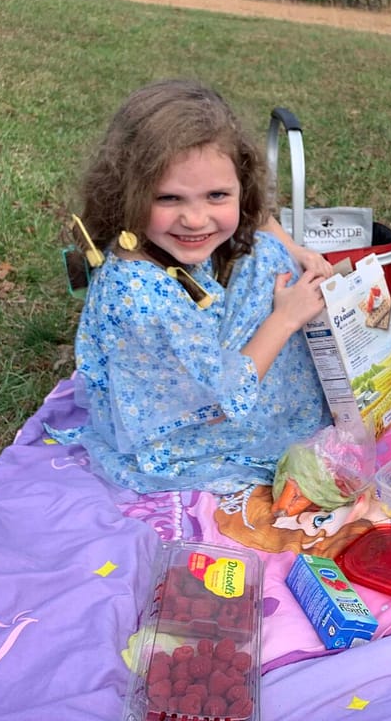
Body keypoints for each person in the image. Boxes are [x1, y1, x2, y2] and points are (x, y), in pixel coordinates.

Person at [51, 79, 334, 494]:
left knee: (270, 254)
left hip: (194, 368)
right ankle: (290, 397)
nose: (196, 219)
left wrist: (298, 250)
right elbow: (214, 405)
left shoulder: (149, 241)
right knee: (272, 267)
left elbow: (256, 216)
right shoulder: (142, 299)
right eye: (169, 199)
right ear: (127, 192)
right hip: (182, 438)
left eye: (216, 195)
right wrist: (285, 319)